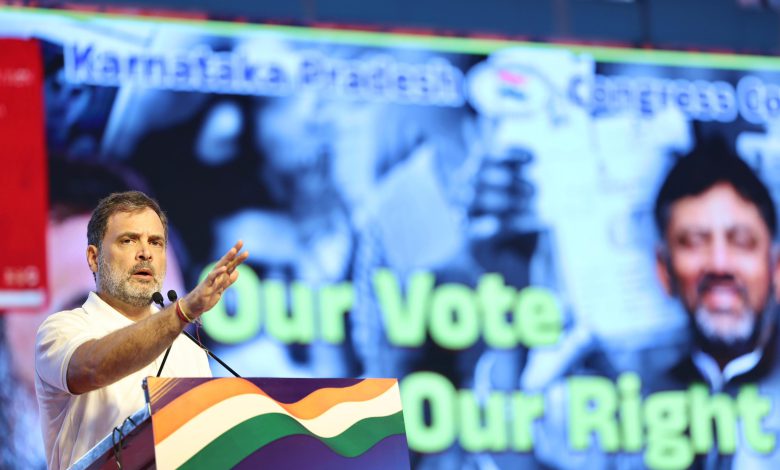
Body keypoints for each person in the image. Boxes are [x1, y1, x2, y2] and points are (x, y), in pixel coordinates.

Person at [34, 191, 248, 469]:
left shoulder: (190, 351)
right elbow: (93, 370)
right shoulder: (62, 328)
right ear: (94, 258)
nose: (145, 253)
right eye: (128, 240)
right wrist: (182, 312)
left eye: (155, 243)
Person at [652, 137, 780, 467]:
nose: (719, 264)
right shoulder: (635, 401)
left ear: (776, 268)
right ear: (664, 270)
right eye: (694, 242)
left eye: (742, 241)